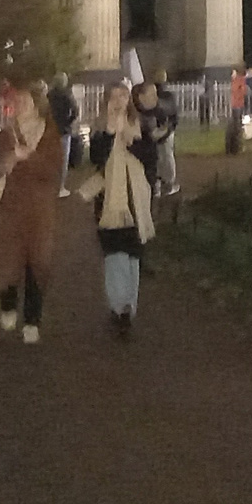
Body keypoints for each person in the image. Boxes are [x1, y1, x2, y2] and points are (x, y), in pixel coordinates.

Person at [0, 87, 62, 344]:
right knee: (7, 258)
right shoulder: (6, 135)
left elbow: (53, 170)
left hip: (40, 209)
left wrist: (30, 157)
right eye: (19, 101)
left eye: (28, 100)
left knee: (37, 262)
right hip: (11, 207)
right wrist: (4, 162)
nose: (23, 105)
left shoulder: (50, 134)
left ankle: (32, 319)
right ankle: (7, 303)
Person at [79, 83, 156, 340]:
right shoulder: (101, 128)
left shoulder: (141, 126)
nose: (119, 100)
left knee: (133, 257)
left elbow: (150, 157)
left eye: (123, 95)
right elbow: (96, 158)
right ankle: (118, 305)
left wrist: (131, 143)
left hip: (136, 200)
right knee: (115, 256)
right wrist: (112, 134)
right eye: (113, 96)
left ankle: (128, 306)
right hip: (110, 199)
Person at [48, 80, 82, 196]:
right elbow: (75, 111)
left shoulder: (49, 96)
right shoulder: (67, 95)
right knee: (63, 160)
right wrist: (69, 122)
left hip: (50, 130)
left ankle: (50, 185)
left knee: (50, 158)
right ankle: (60, 187)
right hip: (63, 130)